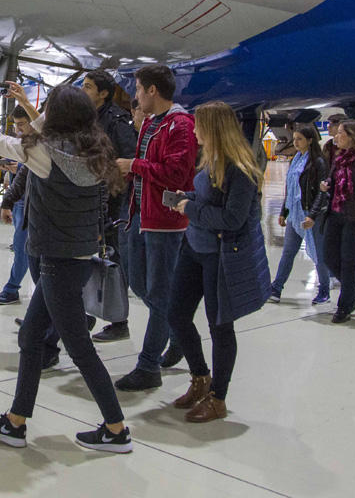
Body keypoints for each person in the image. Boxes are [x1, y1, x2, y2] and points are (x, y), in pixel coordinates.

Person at [0, 78, 132, 454]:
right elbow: (52, 133)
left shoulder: (44, 153)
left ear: (56, 117)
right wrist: (27, 103)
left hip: (57, 263)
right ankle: (15, 422)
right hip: (73, 258)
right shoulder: (93, 150)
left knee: (80, 349)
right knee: (30, 337)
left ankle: (117, 429)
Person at [168, 102, 264, 422]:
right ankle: (200, 377)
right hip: (194, 248)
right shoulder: (210, 160)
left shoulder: (240, 168)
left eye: (198, 125)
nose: (194, 131)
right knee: (176, 314)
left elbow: (233, 219)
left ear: (212, 128)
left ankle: (218, 397)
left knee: (220, 327)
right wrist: (187, 198)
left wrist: (190, 209)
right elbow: (208, 201)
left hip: (219, 258)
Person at [114, 64, 197, 391]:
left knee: (160, 294)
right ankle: (177, 331)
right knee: (139, 284)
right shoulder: (150, 123)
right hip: (139, 214)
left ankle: (149, 366)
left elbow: (176, 175)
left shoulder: (180, 125)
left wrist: (135, 165)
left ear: (152, 91)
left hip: (165, 222)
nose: (135, 96)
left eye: (137, 89)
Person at [82, 69, 138, 343]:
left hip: (112, 202)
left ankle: (119, 321)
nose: (83, 90)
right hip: (88, 197)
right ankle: (86, 312)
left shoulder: (117, 121)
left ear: (103, 93)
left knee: (113, 261)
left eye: (89, 86)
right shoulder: (86, 118)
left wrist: (111, 196)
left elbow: (128, 162)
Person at [307, 119, 355, 324]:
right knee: (329, 257)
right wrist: (327, 184)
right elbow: (333, 179)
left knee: (348, 261)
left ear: (352, 137)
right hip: (336, 214)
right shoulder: (339, 158)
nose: (335, 137)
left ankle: (344, 306)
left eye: (340, 134)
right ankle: (353, 290)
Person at [270, 124, 332, 305]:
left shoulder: (318, 162)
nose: (295, 142)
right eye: (294, 139)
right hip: (295, 213)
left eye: (299, 139)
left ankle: (324, 291)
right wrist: (284, 211)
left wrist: (312, 215)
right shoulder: (295, 160)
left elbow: (323, 192)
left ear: (310, 141)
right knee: (288, 252)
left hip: (311, 216)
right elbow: (290, 188)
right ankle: (276, 288)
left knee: (318, 254)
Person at [0, 105, 35, 305]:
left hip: (35, 205)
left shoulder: (42, 144)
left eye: (22, 125)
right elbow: (22, 176)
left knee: (26, 250)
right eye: (16, 125)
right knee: (21, 248)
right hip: (20, 201)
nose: (18, 130)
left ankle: (13, 289)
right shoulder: (20, 142)